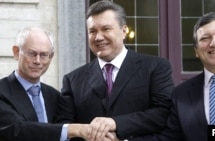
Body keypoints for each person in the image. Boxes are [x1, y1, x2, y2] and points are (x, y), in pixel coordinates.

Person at [56, 1, 174, 141]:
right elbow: (64, 127)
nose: (98, 37)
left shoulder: (156, 67)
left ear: (124, 31)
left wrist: (115, 123)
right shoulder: (72, 80)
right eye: (92, 31)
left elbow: (162, 114)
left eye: (106, 29)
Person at [136, 12, 215, 141]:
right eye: (205, 38)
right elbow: (170, 138)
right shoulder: (182, 94)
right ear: (196, 50)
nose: (214, 43)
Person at [0, 26, 112, 141]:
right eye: (32, 54)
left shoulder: (55, 96)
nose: (37, 61)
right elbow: (17, 130)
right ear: (16, 52)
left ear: (51, 57)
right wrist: (74, 130)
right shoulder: (2, 92)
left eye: (44, 55)